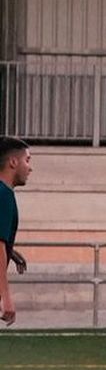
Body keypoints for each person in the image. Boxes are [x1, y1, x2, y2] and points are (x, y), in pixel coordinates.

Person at [0, 136, 32, 327]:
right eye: (27, 160)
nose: (30, 168)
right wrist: (6, 297)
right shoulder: (4, 195)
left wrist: (11, 253)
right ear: (13, 162)